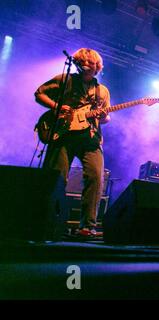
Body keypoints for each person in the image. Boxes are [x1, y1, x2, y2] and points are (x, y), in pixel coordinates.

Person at [35, 48, 111, 237]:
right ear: (77, 64)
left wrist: (102, 116)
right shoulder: (65, 79)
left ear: (97, 67)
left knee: (95, 176)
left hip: (91, 138)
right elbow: (39, 93)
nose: (87, 67)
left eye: (91, 63)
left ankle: (88, 226)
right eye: (83, 63)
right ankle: (50, 221)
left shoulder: (102, 91)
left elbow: (105, 118)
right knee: (58, 177)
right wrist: (57, 107)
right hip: (64, 135)